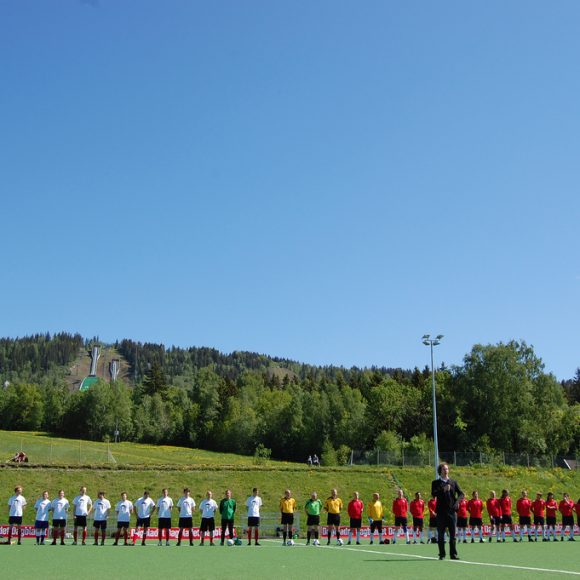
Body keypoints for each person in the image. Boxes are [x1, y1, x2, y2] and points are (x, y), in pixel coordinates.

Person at [431, 462, 464, 561]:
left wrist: (457, 502)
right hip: (441, 512)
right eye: (444, 469)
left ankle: (453, 554)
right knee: (441, 534)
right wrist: (443, 489)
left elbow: (461, 494)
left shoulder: (453, 482)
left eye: (447, 469)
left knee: (453, 535)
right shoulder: (435, 483)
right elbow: (434, 494)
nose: (446, 471)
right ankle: (442, 554)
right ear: (440, 471)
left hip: (452, 512)